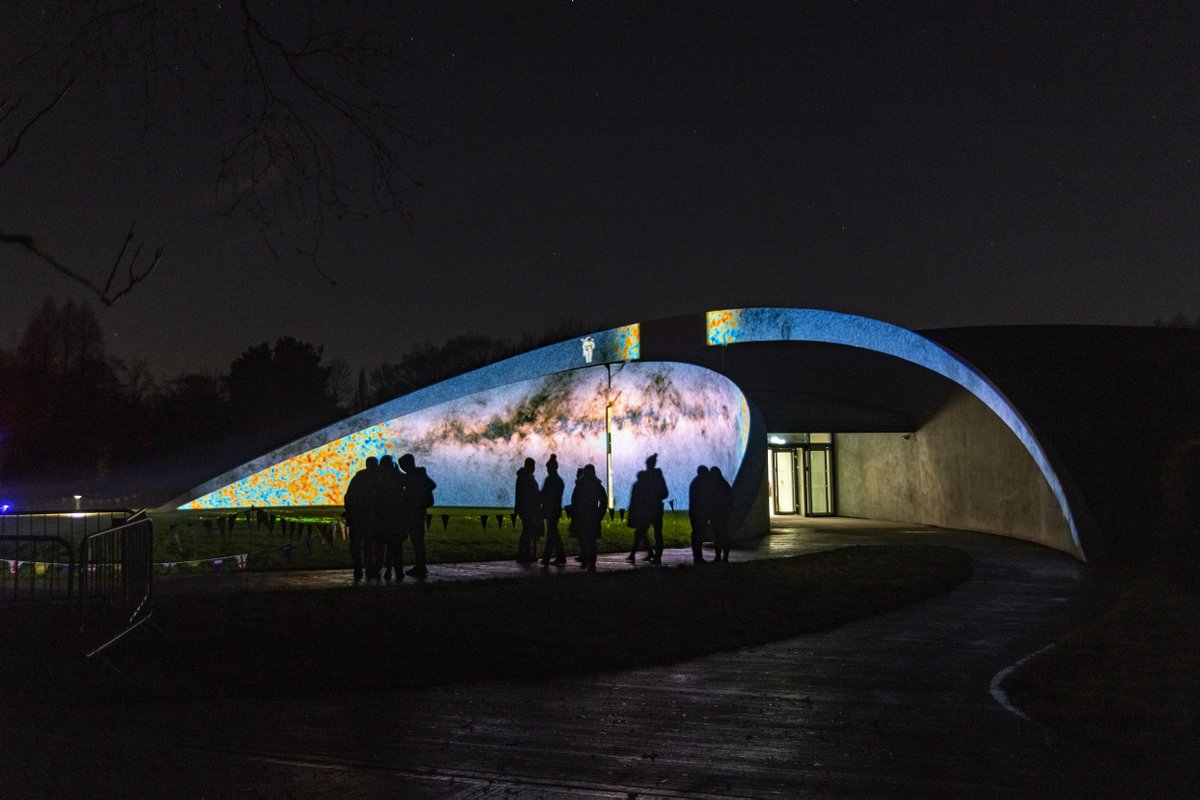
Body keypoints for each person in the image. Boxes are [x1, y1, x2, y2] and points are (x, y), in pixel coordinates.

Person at [398, 453, 436, 578]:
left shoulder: (418, 473)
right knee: (417, 540)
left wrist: (417, 494)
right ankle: (420, 565)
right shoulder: (414, 474)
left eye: (402, 465)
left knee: (417, 540)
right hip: (415, 511)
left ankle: (421, 566)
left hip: (416, 512)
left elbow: (432, 485)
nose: (402, 468)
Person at [342, 456, 378, 580]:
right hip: (367, 517)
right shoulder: (376, 478)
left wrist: (349, 511)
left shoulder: (359, 477)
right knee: (367, 544)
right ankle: (368, 569)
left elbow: (348, 496)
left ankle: (358, 569)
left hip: (358, 516)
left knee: (357, 544)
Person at [570, 463, 607, 572]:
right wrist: (600, 514)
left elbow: (574, 500)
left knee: (582, 538)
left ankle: (586, 559)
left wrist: (575, 513)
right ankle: (592, 563)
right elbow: (603, 501)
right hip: (593, 516)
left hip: (582, 516)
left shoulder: (580, 485)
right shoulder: (597, 485)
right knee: (592, 541)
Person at [376, 454, 405, 581]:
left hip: (384, 515)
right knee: (395, 545)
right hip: (395, 515)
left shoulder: (379, 477)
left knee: (382, 544)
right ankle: (396, 570)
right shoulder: (397, 476)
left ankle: (380, 569)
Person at [640, 454, 670, 564]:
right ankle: (657, 556)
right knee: (658, 533)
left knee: (643, 531)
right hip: (657, 508)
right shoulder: (658, 477)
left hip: (649, 509)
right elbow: (665, 493)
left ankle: (653, 554)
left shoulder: (646, 477)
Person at [539, 454, 567, 567]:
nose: (547, 470)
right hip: (554, 510)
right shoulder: (558, 481)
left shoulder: (551, 480)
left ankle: (549, 557)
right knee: (553, 533)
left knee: (552, 534)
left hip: (551, 510)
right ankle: (559, 556)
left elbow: (545, 494)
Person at [514, 457, 541, 564]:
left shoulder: (526, 477)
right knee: (527, 531)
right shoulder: (525, 477)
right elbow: (523, 494)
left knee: (527, 531)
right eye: (533, 465)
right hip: (527, 508)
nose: (534, 468)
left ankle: (524, 554)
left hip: (528, 508)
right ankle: (524, 554)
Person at [626, 469, 652, 563]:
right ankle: (648, 553)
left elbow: (634, 500)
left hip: (640, 514)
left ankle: (633, 555)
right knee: (641, 534)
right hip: (646, 514)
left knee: (639, 534)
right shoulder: (647, 487)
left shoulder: (637, 486)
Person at [709, 465, 734, 562]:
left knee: (717, 535)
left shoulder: (712, 486)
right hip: (724, 514)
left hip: (716, 514)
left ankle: (718, 556)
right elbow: (731, 497)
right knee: (724, 535)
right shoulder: (724, 484)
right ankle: (725, 557)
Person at [688, 465, 712, 564]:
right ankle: (698, 556)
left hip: (695, 513)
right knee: (698, 534)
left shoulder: (696, 482)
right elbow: (703, 500)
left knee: (697, 534)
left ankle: (697, 556)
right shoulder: (700, 483)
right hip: (699, 513)